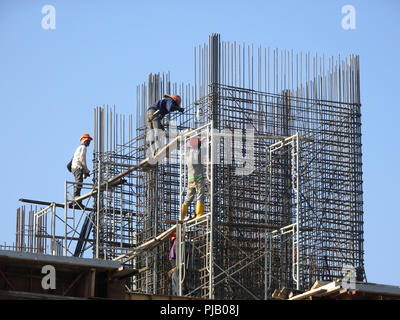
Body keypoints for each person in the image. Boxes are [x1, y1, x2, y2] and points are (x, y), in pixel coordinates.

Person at [181, 137, 205, 220]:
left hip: (190, 178)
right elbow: (207, 151)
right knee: (200, 195)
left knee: (189, 197)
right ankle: (199, 214)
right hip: (198, 177)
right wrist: (205, 139)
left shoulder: (188, 153)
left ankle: (182, 216)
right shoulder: (198, 152)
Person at [71, 133, 93, 201]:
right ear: (84, 141)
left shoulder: (79, 148)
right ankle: (75, 197)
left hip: (75, 167)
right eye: (88, 141)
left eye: (89, 141)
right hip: (77, 167)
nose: (89, 142)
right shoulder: (83, 147)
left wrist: (84, 171)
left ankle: (78, 200)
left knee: (79, 181)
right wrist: (86, 170)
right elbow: (82, 159)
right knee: (79, 181)